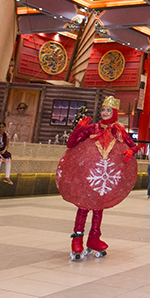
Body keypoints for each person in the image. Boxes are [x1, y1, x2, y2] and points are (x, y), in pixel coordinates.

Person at [57, 96, 138, 259]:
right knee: (83, 206)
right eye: (103, 109)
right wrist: (79, 129)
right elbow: (71, 144)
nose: (105, 112)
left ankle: (94, 238)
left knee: (99, 207)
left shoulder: (119, 130)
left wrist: (130, 151)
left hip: (105, 178)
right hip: (87, 176)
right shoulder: (93, 128)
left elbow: (134, 146)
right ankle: (77, 239)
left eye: (109, 110)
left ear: (114, 112)